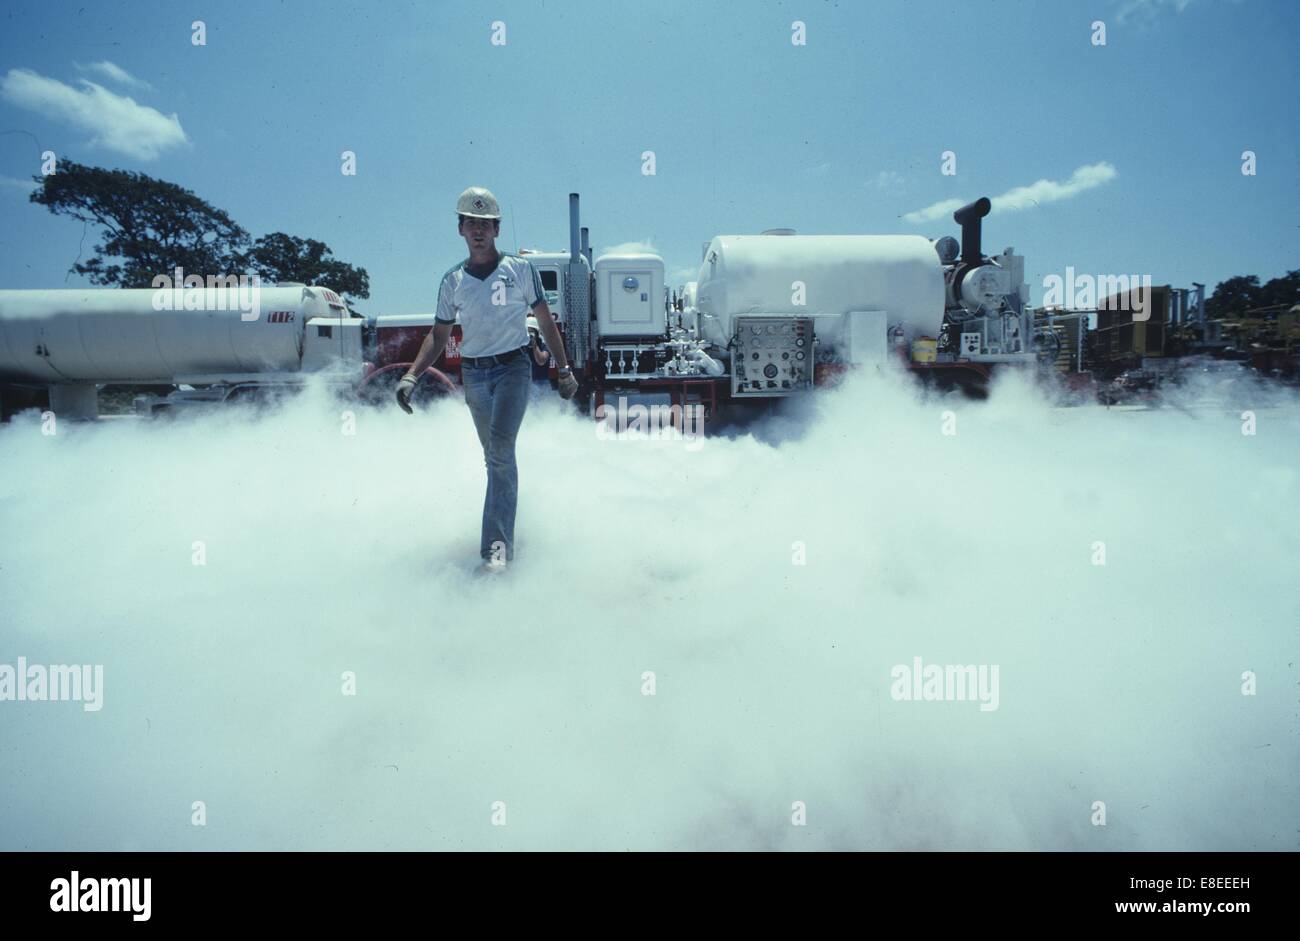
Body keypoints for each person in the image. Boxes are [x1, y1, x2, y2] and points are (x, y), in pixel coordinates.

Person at [396, 186, 579, 575]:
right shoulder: (452, 281)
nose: (478, 231)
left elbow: (546, 321)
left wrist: (564, 370)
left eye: (485, 224)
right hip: (474, 374)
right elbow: (439, 335)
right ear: (460, 229)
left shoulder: (520, 270)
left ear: (497, 229)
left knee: (498, 452)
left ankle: (495, 554)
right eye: (470, 224)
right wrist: (412, 375)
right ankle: (508, 531)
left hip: (513, 367)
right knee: (495, 459)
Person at [526, 315, 553, 400]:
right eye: (527, 332)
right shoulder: (521, 346)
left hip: (542, 384)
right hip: (526, 385)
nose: (530, 335)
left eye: (532, 331)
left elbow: (541, 360)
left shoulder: (544, 345)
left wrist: (534, 345)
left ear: (537, 332)